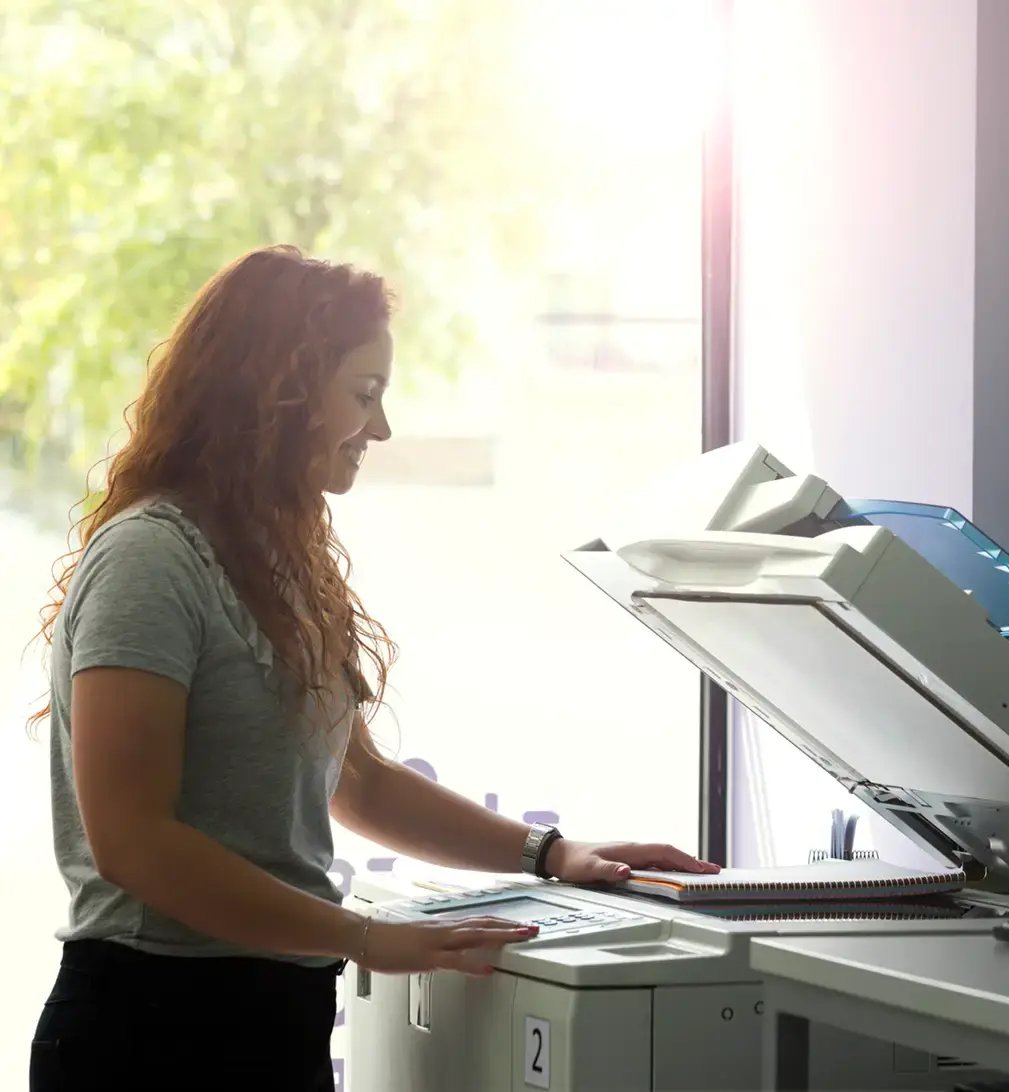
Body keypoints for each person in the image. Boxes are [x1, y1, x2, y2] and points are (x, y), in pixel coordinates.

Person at [27, 245, 718, 1091]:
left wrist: (551, 853)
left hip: (273, 1018)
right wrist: (359, 936)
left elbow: (361, 780)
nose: (381, 430)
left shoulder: (281, 567)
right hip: (149, 1026)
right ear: (274, 393)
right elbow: (132, 840)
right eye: (364, 395)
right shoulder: (150, 560)